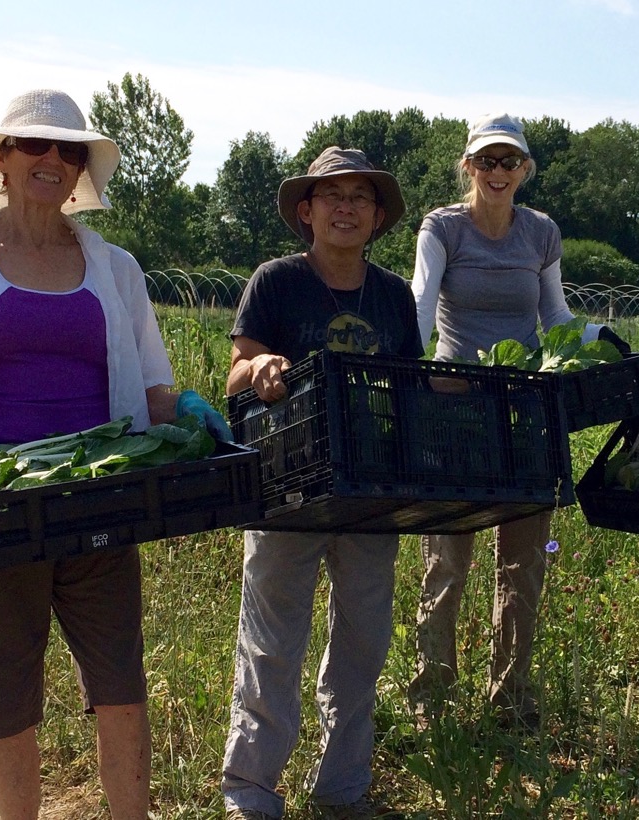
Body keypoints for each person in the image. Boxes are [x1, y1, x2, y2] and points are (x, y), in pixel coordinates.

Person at [0, 89, 230, 820]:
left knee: (122, 687)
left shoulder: (115, 268)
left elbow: (153, 390)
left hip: (99, 502)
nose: (52, 160)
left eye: (69, 151)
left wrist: (185, 408)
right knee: (7, 697)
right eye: (35, 145)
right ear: (2, 160)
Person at [408, 112, 629, 732]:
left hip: (524, 411)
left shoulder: (541, 232)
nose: (498, 171)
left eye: (510, 162)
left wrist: (593, 338)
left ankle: (510, 696)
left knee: (522, 561)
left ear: (525, 169)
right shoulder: (443, 228)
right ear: (468, 166)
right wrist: (410, 367)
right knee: (447, 560)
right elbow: (422, 302)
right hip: (455, 409)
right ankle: (432, 699)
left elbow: (554, 315)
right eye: (487, 161)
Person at [221, 147, 422, 820]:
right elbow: (235, 373)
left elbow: (412, 387)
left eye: (359, 197)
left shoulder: (393, 296)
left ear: (376, 216)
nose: (345, 207)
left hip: (372, 491)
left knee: (362, 645)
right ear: (306, 212)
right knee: (272, 644)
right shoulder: (276, 282)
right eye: (331, 195)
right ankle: (252, 793)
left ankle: (342, 789)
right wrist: (262, 368)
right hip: (288, 488)